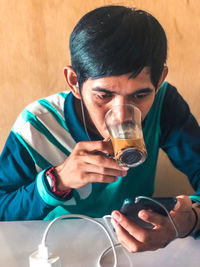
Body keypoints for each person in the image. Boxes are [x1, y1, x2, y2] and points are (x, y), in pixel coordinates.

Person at [0, 5, 200, 252]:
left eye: (140, 95)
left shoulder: (164, 103)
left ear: (158, 81)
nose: (123, 115)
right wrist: (57, 181)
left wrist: (191, 220)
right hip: (52, 248)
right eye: (103, 95)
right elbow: (2, 209)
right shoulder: (37, 125)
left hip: (128, 248)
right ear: (74, 82)